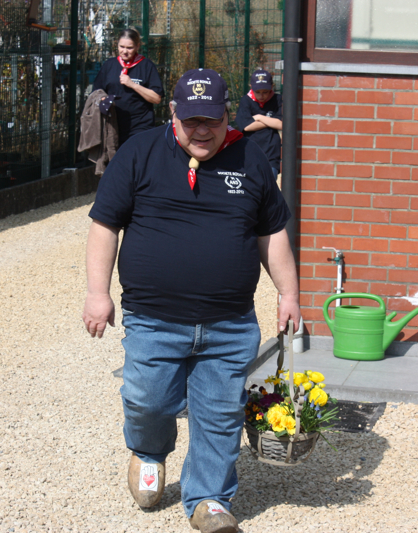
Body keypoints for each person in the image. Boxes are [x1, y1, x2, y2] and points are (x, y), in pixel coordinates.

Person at [82, 68, 300, 533]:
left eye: (212, 120)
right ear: (173, 114)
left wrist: (289, 293)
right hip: (154, 319)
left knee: (220, 414)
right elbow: (104, 225)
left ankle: (209, 499)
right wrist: (98, 293)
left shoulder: (251, 158)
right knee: (148, 400)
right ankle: (148, 453)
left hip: (230, 323)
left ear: (227, 114)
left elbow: (272, 233)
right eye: (192, 120)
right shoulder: (139, 153)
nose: (202, 130)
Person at [92, 28, 164, 146]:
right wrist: (103, 99)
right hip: (113, 126)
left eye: (129, 48)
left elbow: (156, 98)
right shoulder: (109, 65)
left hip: (140, 126)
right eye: (122, 47)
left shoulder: (146, 66)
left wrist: (133, 85)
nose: (125, 51)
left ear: (137, 46)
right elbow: (96, 93)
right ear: (117, 45)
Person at [236, 69, 283, 179]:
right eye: (258, 92)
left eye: (265, 92)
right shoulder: (245, 101)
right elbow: (247, 127)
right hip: (249, 154)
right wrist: (271, 121)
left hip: (271, 154)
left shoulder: (278, 100)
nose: (261, 96)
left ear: (272, 87)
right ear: (251, 87)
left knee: (269, 184)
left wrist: (259, 117)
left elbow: (281, 125)